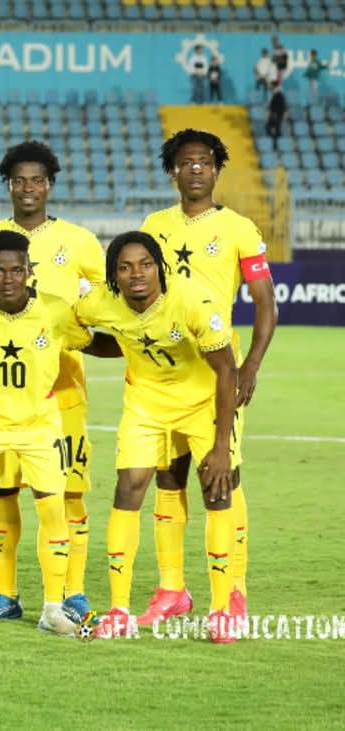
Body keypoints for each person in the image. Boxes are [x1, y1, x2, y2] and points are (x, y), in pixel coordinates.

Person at [0, 231, 119, 638]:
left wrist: (142, 341)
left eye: (16, 270)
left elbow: (91, 344)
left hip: (39, 427)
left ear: (29, 270)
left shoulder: (55, 311)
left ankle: (53, 610)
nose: (8, 278)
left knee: (53, 511)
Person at [0, 140, 105, 624]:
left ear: (49, 185)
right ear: (8, 186)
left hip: (61, 390)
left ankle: (72, 592)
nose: (28, 188)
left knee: (68, 494)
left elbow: (106, 298)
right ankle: (5, 594)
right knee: (2, 492)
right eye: (19, 181)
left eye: (36, 180)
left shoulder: (79, 240)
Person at [139, 130, 277, 628]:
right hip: (161, 375)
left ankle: (233, 593)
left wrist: (250, 366)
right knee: (168, 477)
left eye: (204, 161)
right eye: (185, 162)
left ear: (216, 170)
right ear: (172, 172)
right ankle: (172, 589)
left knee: (223, 477)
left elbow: (266, 304)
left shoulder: (239, 228)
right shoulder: (153, 226)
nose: (195, 169)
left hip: (216, 375)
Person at [75, 232, 239, 643]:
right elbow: (77, 328)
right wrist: (95, 343)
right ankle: (118, 610)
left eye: (146, 264)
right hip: (146, 406)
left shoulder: (190, 301)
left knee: (217, 490)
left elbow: (226, 369)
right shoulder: (98, 303)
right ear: (113, 276)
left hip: (202, 403)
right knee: (128, 489)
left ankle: (222, 609)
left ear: (160, 267)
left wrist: (221, 446)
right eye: (125, 267)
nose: (137, 274)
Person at [266, 84, 287, 148]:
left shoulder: (279, 95)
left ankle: (276, 144)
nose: (271, 89)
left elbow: (281, 106)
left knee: (276, 129)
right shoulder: (275, 95)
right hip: (275, 115)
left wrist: (275, 114)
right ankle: (274, 142)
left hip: (277, 115)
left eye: (272, 87)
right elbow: (271, 106)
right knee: (270, 127)